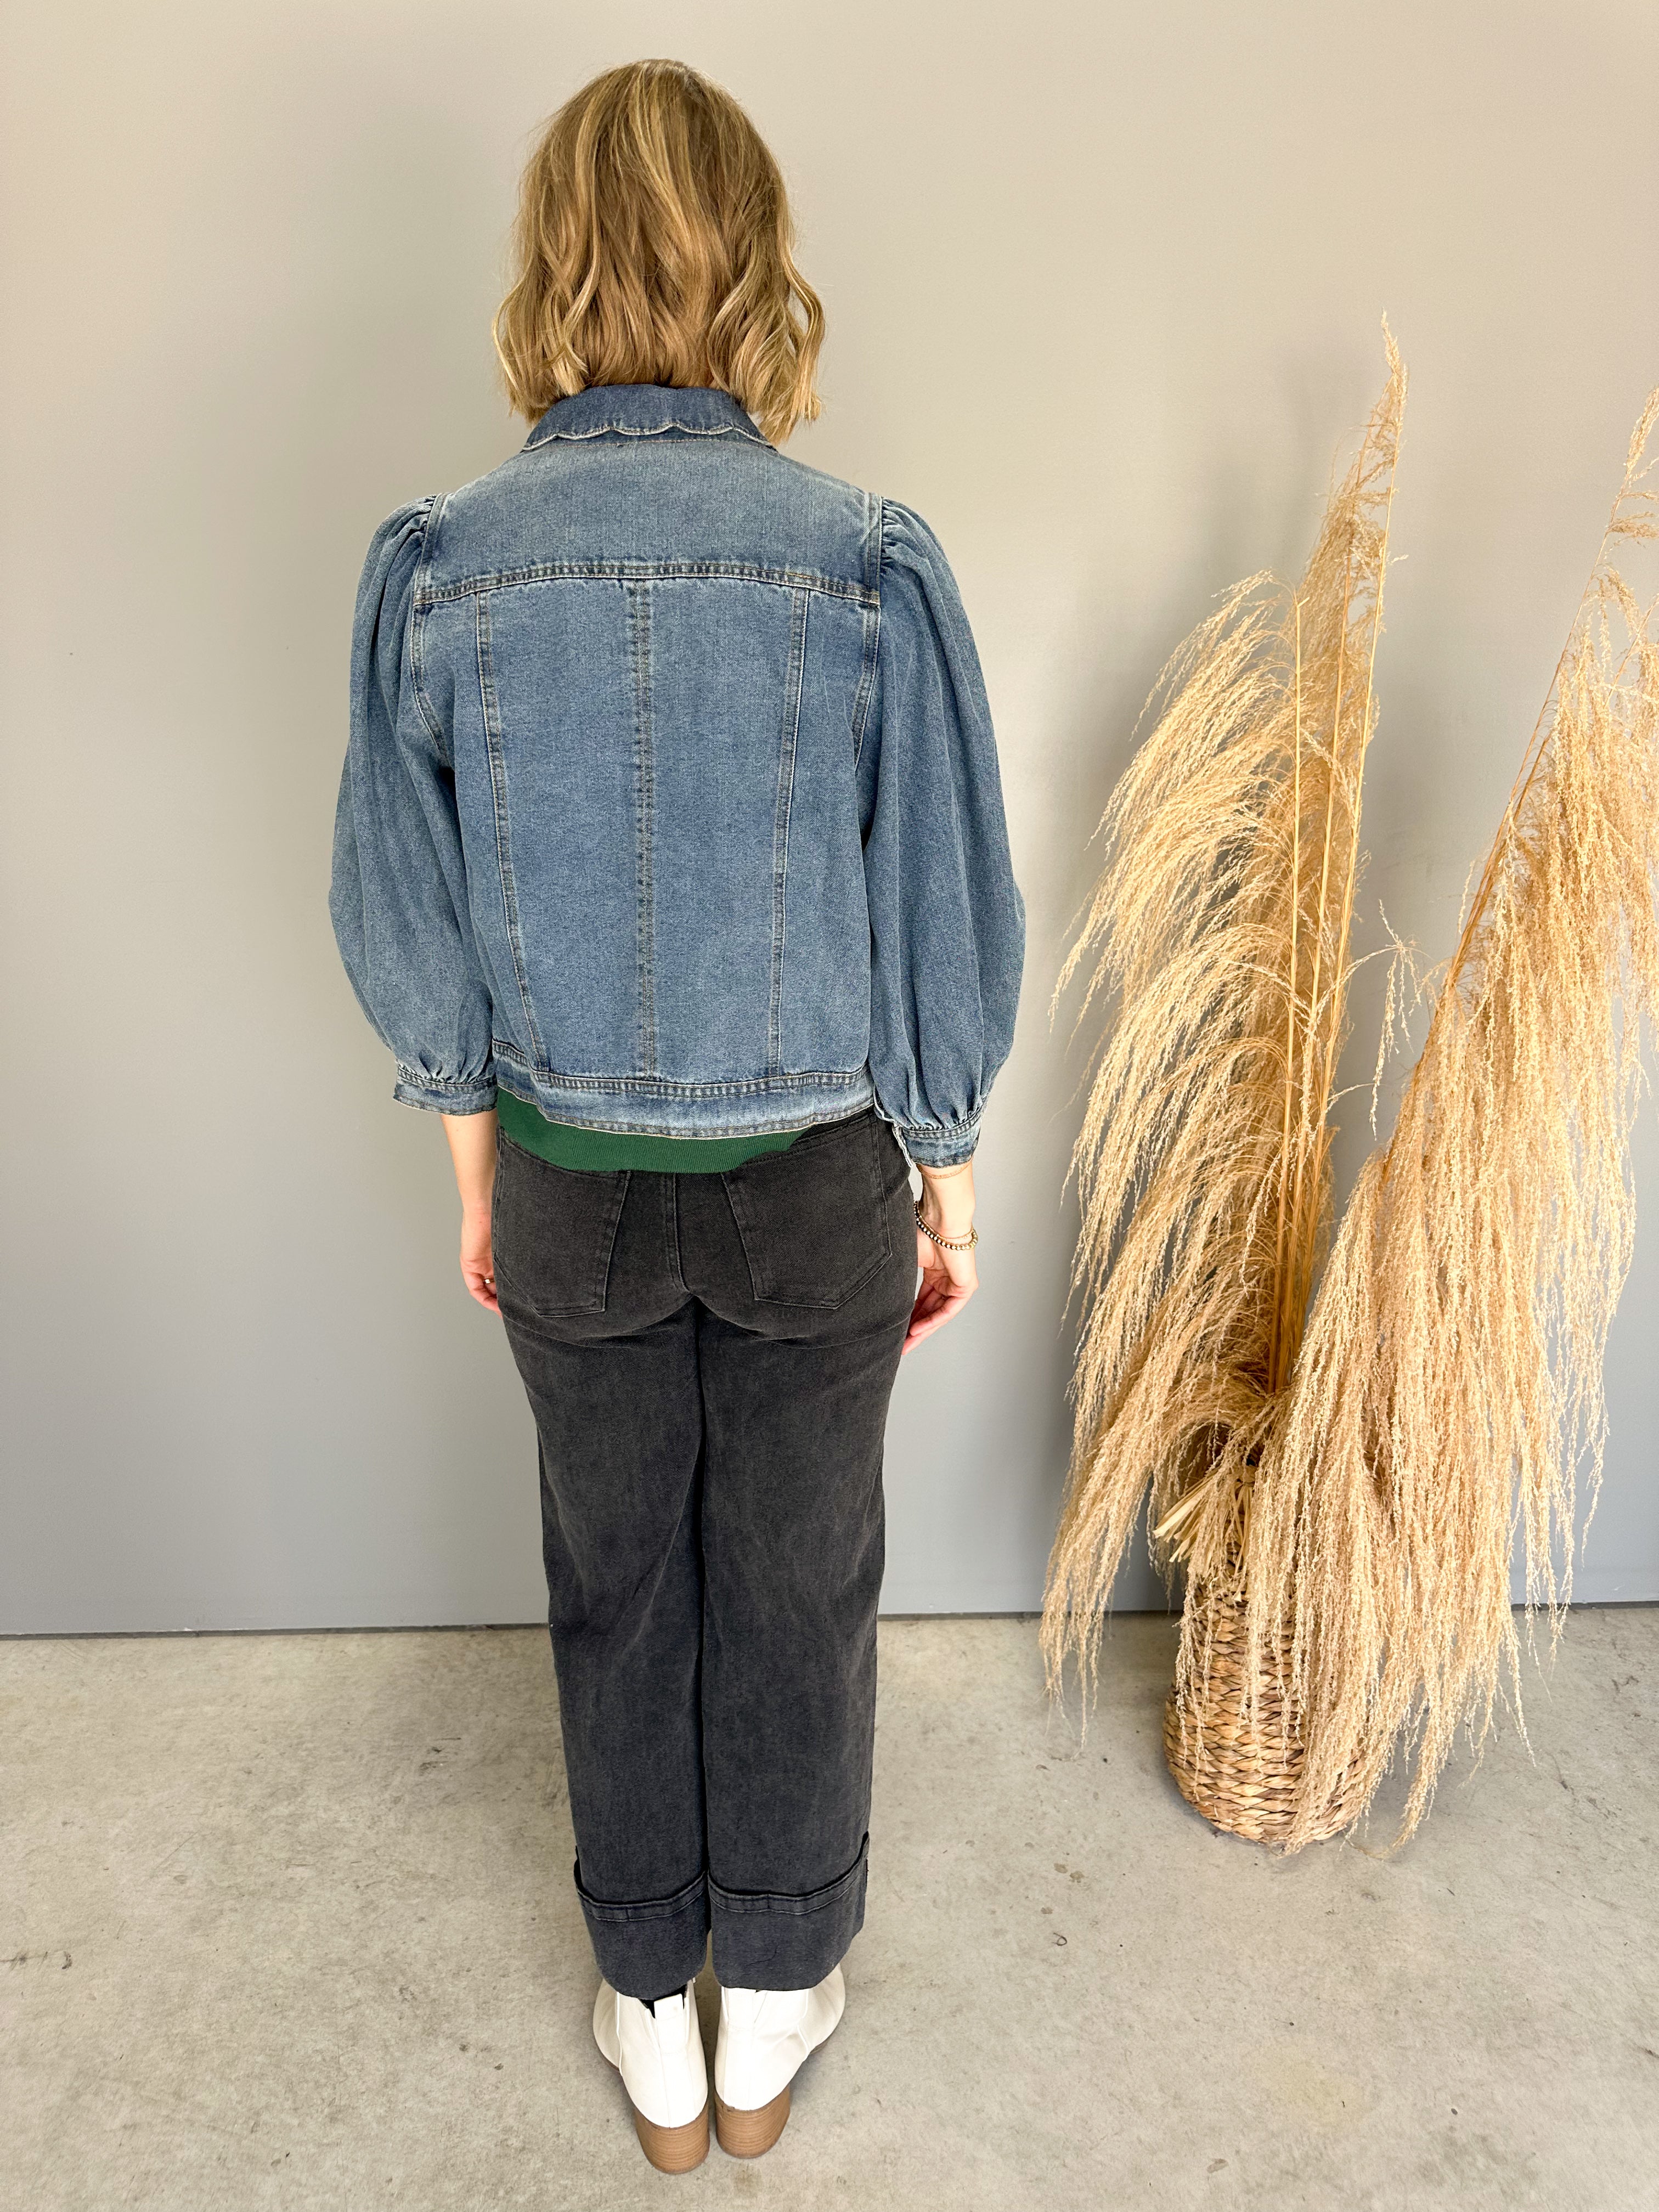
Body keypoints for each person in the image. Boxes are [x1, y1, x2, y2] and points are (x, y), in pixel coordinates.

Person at [329, 57, 1024, 2173]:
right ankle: (773, 2006)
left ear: (552, 264)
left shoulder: (443, 570)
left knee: (613, 1575)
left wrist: (479, 1175)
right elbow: (941, 909)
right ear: (757, 270)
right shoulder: (863, 563)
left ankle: (649, 2006)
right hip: (819, 1185)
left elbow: (406, 919)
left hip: (566, 1187)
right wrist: (948, 1177)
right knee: (801, 1577)